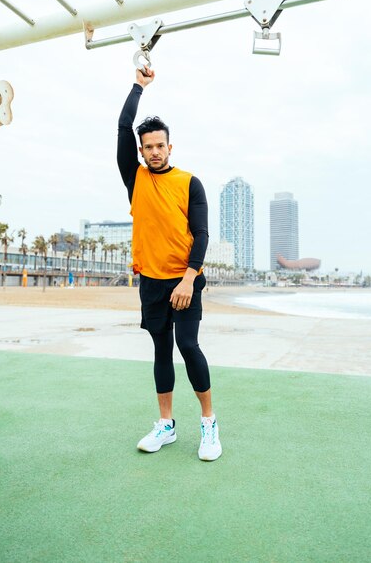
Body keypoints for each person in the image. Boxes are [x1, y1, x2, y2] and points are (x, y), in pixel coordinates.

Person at [117, 67, 222, 461]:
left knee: (188, 344)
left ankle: (209, 423)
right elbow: (124, 125)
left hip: (184, 281)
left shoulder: (190, 182)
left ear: (170, 147)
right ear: (141, 151)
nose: (154, 151)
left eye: (160, 145)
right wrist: (138, 86)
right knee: (161, 350)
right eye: (148, 147)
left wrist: (188, 280)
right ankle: (166, 425)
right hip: (152, 283)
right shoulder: (137, 179)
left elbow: (202, 235)